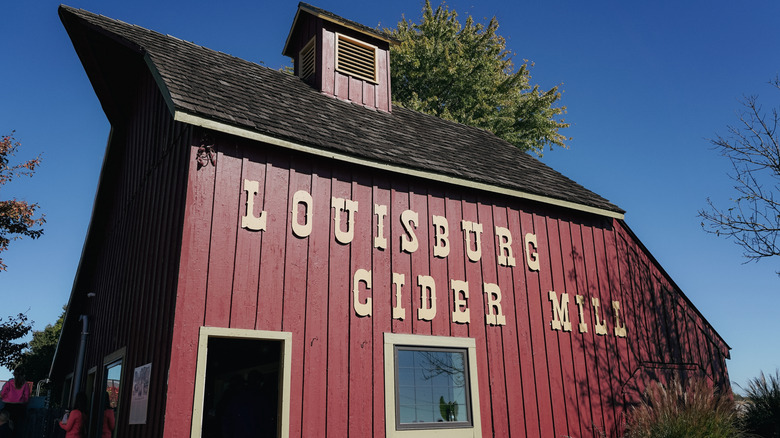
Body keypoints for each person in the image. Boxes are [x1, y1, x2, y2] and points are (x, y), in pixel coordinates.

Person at [0, 368, 30, 436]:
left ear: (14, 374)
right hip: (19, 407)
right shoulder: (25, 384)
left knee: (6, 424)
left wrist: (6, 398)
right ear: (23, 375)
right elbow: (26, 396)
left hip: (9, 406)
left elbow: (3, 393)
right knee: (18, 426)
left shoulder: (9, 383)